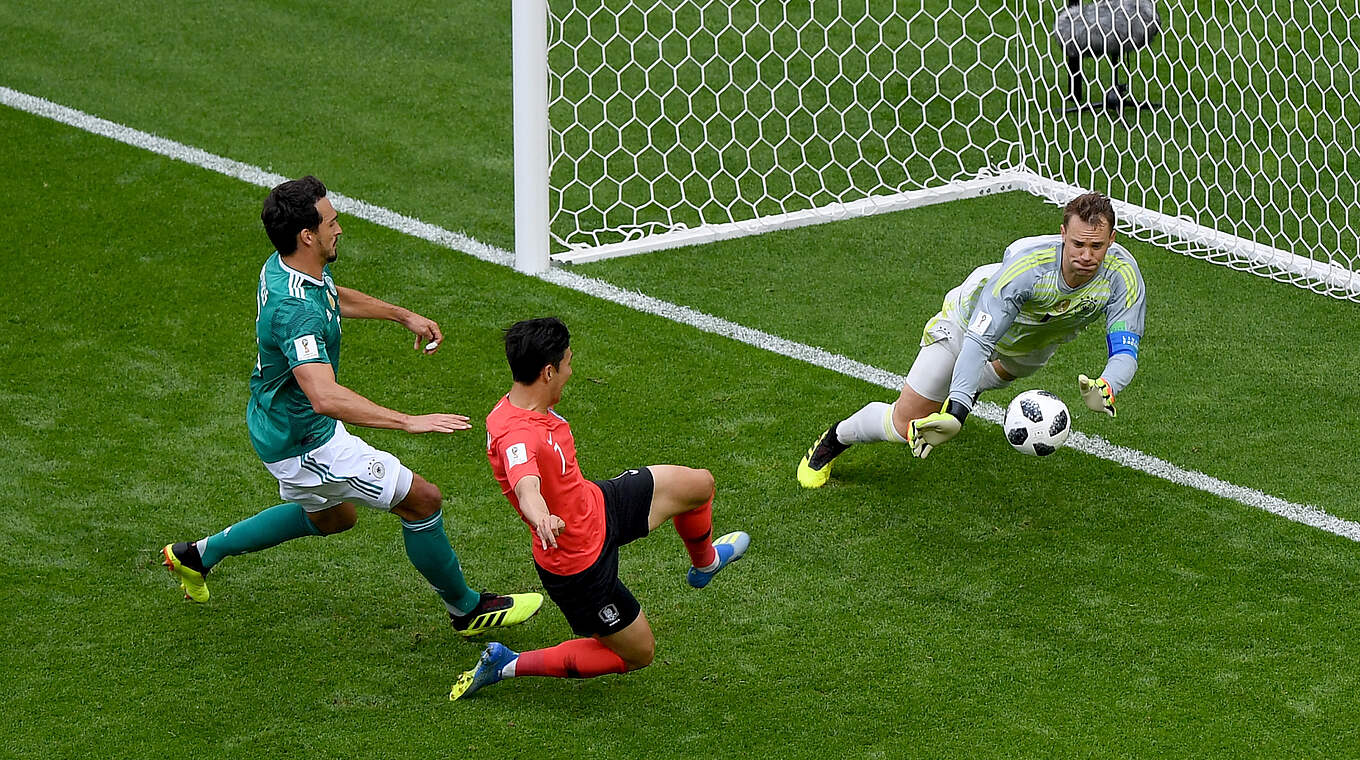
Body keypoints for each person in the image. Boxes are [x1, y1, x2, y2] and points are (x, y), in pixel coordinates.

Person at [161, 175, 543, 636]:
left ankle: (196, 556)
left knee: (334, 517)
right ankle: (466, 609)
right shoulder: (293, 309)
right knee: (422, 500)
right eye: (331, 222)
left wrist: (401, 314)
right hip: (304, 441)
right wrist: (408, 422)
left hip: (275, 419)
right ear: (307, 235)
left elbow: (331, 297)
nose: (339, 229)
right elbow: (323, 396)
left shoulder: (285, 266)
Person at [449, 317, 750, 700]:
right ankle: (507, 664)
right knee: (640, 653)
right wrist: (541, 516)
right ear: (547, 371)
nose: (571, 372)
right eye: (568, 363)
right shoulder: (517, 436)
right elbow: (526, 483)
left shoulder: (523, 407)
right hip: (578, 567)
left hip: (599, 504)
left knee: (699, 485)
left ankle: (705, 564)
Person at [797, 191, 1145, 486]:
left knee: (988, 374)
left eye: (1096, 246)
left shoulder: (1122, 275)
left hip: (1033, 345)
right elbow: (979, 341)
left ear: (1111, 240)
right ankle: (833, 440)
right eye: (1078, 244)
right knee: (905, 424)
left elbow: (1125, 348)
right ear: (1062, 235)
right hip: (967, 326)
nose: (1086, 256)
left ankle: (970, 384)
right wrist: (957, 413)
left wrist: (1109, 385)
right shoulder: (1028, 270)